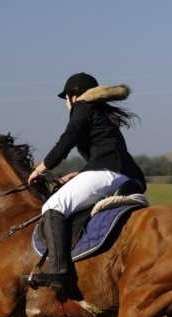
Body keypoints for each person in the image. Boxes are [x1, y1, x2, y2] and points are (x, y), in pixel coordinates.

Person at [26, 72, 146, 291]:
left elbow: (65, 142)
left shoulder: (82, 107)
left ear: (73, 96)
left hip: (106, 173)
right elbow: (104, 151)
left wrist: (40, 168)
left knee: (53, 206)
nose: (66, 104)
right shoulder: (102, 114)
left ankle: (58, 271)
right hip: (126, 175)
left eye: (66, 99)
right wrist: (79, 174)